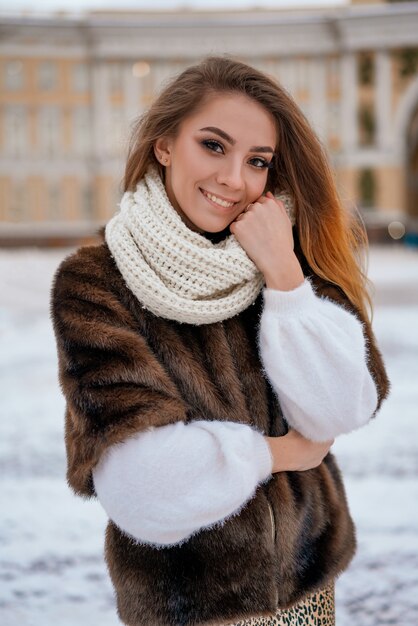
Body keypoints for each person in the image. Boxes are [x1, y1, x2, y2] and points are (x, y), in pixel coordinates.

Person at [51, 56, 390, 626]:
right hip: (192, 614)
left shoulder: (287, 258)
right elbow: (141, 485)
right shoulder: (97, 282)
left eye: (257, 161)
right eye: (213, 146)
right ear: (164, 145)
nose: (235, 178)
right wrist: (278, 452)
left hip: (309, 602)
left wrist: (284, 277)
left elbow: (344, 405)